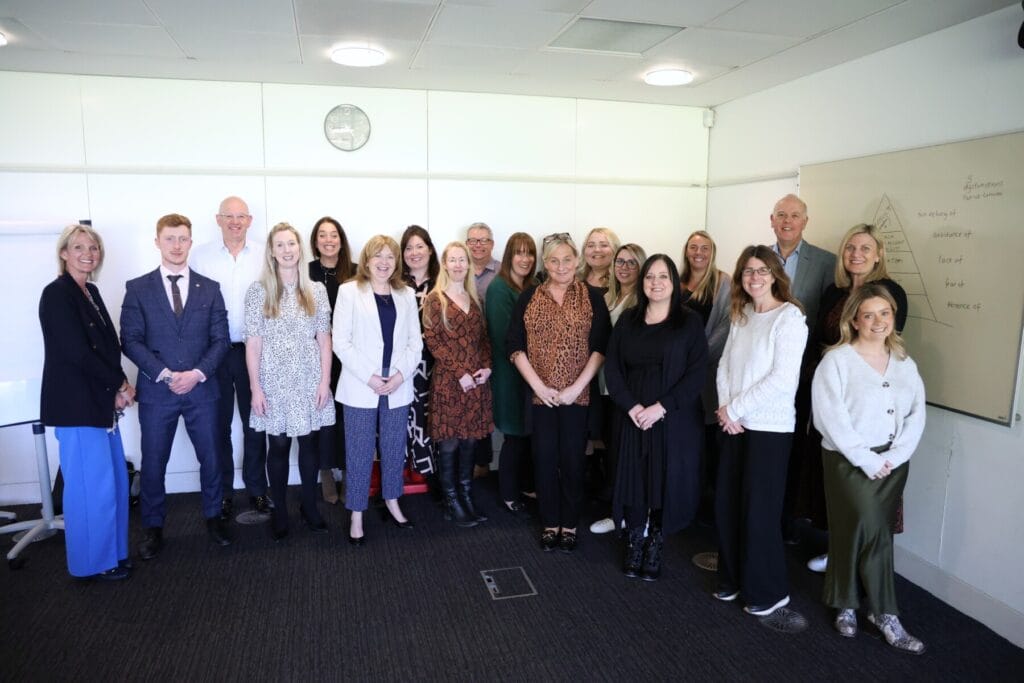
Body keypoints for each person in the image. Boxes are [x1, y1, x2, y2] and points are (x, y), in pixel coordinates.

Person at [812, 284, 926, 653]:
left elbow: (917, 415)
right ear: (855, 321)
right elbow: (829, 418)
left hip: (893, 465)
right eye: (869, 315)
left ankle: (852, 605)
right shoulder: (837, 361)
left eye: (885, 314)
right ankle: (882, 611)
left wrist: (898, 455)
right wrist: (867, 459)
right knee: (863, 528)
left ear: (893, 318)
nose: (878, 321)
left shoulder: (906, 364)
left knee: (872, 532)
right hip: (849, 462)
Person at [120, 213, 231, 559]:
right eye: (170, 238)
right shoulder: (137, 288)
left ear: (191, 242)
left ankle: (214, 518)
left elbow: (221, 340)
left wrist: (196, 373)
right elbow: (131, 340)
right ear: (157, 242)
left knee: (212, 458)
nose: (177, 245)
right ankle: (153, 527)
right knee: (153, 461)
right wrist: (167, 374)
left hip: (202, 389)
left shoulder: (209, 288)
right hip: (158, 392)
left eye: (183, 238)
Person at [804, 223, 910, 572]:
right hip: (833, 394)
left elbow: (883, 344)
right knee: (838, 480)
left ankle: (869, 564)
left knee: (870, 484)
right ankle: (840, 552)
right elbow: (818, 336)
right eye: (850, 248)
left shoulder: (891, 292)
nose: (856, 255)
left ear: (878, 254)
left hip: (869, 398)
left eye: (865, 248)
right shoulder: (834, 293)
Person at [713, 245, 807, 616]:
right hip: (734, 426)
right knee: (728, 505)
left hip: (769, 429)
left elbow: (783, 380)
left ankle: (767, 590)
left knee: (759, 512)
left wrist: (734, 408)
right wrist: (725, 410)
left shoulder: (790, 318)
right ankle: (732, 579)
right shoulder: (743, 315)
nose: (754, 277)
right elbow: (724, 366)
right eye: (748, 271)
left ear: (775, 276)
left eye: (761, 271)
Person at [39, 224, 135, 580]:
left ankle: (113, 552)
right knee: (87, 489)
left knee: (112, 484)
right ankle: (92, 564)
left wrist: (118, 387)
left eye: (93, 247)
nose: (87, 253)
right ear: (64, 253)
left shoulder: (89, 291)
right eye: (78, 247)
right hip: (76, 405)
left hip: (100, 401)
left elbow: (107, 346)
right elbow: (77, 352)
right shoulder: (57, 294)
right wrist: (121, 382)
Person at [604, 255, 708, 581]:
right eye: (650, 276)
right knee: (635, 479)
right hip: (632, 416)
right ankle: (635, 540)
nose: (656, 283)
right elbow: (613, 368)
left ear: (674, 282)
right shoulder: (628, 320)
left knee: (662, 480)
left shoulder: (689, 322)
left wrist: (661, 407)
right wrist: (632, 407)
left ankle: (656, 543)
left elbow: (696, 373)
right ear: (642, 281)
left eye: (664, 277)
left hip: (671, 418)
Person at [507, 233, 611, 553]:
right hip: (540, 396)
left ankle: (570, 523)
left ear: (577, 260)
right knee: (544, 458)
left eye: (567, 259)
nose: (561, 266)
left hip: (577, 397)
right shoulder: (529, 297)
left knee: (572, 460)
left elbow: (601, 346)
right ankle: (550, 522)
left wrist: (575, 387)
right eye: (554, 260)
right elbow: (514, 346)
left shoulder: (592, 296)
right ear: (545, 263)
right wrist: (539, 386)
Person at [246, 223, 335, 540]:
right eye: (280, 245)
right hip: (274, 380)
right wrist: (256, 388)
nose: (287, 250)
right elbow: (253, 343)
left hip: (309, 378)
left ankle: (310, 507)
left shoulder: (316, 290)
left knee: (310, 444)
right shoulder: (258, 291)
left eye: (292, 244)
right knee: (279, 445)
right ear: (272, 251)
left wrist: (324, 382)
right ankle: (280, 511)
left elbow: (325, 339)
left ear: (300, 248)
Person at [333, 235, 421, 545]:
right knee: (358, 452)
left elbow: (415, 343)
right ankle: (357, 512)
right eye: (377, 256)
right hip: (361, 385)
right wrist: (370, 377)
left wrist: (398, 375)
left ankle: (393, 500)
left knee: (394, 448)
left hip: (397, 385)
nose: (384, 262)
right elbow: (340, 342)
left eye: (390, 257)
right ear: (366, 260)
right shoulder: (349, 291)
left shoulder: (406, 294)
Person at [190, 196, 269, 519]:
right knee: (217, 426)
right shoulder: (200, 257)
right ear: (218, 219)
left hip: (255, 351)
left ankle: (257, 490)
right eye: (229, 216)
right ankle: (223, 492)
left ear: (249, 220)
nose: (235, 222)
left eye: (241, 216)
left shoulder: (264, 255)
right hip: (215, 354)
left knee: (255, 424)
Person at [768, 194, 836, 542]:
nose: (788, 221)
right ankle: (767, 515)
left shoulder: (826, 263)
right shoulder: (759, 259)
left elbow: (829, 320)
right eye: (782, 215)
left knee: (794, 447)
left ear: (805, 222)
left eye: (795, 215)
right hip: (763, 370)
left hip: (802, 374)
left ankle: (787, 519)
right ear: (772, 219)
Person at [422, 242, 494, 527]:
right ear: (444, 263)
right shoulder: (435, 299)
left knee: (469, 442)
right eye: (452, 260)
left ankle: (466, 495)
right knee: (450, 444)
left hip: (476, 382)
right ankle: (451, 501)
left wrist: (487, 367)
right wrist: (459, 372)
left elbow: (484, 340)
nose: (458, 265)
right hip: (450, 383)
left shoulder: (473, 298)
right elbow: (433, 342)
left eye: (462, 260)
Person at [590, 242, 647, 535]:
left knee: (625, 451)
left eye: (631, 263)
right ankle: (617, 510)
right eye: (620, 262)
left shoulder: (641, 302)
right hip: (602, 384)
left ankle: (626, 514)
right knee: (610, 447)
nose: (624, 268)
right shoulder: (609, 297)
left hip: (625, 388)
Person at [486, 232, 539, 519]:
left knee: (530, 434)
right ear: (509, 257)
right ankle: (508, 493)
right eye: (519, 253)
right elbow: (504, 336)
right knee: (515, 436)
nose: (525, 258)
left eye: (529, 253)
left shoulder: (533, 286)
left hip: (532, 375)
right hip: (510, 375)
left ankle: (527, 486)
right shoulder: (499, 289)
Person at [679, 230, 732, 519]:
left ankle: (705, 507)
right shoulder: (677, 280)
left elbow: (726, 324)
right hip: (677, 372)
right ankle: (685, 497)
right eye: (693, 247)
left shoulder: (723, 282)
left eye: (705, 247)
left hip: (707, 373)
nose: (698, 252)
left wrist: (696, 359)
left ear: (713, 251)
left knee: (708, 440)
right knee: (685, 437)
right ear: (686, 251)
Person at [307, 216, 356, 505]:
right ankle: (325, 470)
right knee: (322, 415)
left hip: (349, 356)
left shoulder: (355, 272)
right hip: (315, 356)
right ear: (315, 241)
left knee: (349, 417)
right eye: (322, 235)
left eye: (334, 235)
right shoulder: (306, 272)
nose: (328, 240)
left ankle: (350, 470)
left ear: (341, 240)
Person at [400, 225, 441, 482]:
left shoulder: (442, 282)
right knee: (403, 415)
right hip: (402, 363)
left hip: (434, 363)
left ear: (430, 250)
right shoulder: (395, 282)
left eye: (419, 246)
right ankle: (399, 473)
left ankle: (430, 473)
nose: (414, 252)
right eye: (408, 247)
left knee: (429, 415)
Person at [466, 221, 500, 479]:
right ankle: (468, 466)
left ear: (492, 244)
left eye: (483, 240)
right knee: (469, 407)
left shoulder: (502, 272)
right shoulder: (458, 269)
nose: (478, 245)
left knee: (488, 407)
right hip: (465, 352)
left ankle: (484, 465)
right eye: (473, 240)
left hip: (495, 348)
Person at [578, 227, 621, 300]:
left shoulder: (621, 283)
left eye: (604, 245)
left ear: (615, 250)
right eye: (591, 245)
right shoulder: (574, 279)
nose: (597, 250)